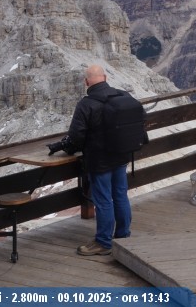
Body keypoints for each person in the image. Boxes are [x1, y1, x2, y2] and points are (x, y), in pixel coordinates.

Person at [62, 65, 135, 256]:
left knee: (103, 200)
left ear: (86, 82)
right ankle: (123, 236)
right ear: (105, 77)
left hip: (99, 160)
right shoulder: (123, 96)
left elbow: (76, 137)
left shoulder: (85, 104)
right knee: (120, 195)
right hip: (121, 155)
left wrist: (69, 148)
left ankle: (104, 242)